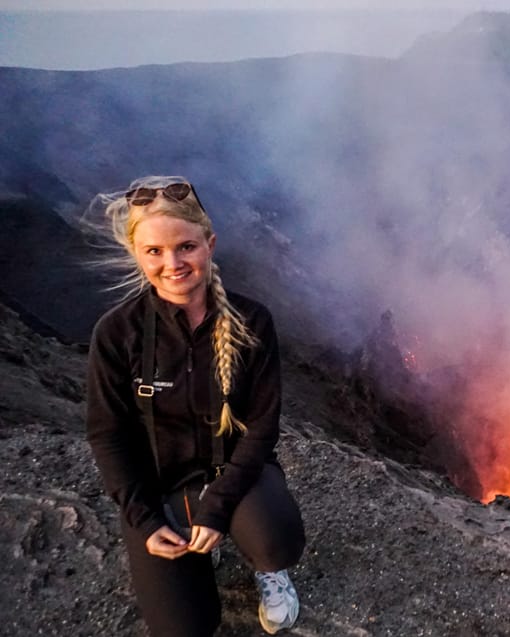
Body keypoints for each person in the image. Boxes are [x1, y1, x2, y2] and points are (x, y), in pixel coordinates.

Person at [85, 176, 305, 636]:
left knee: (276, 540)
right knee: (184, 627)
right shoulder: (117, 334)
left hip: (235, 476)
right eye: (155, 252)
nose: (172, 263)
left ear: (210, 244)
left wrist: (217, 509)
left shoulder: (252, 322)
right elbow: (109, 435)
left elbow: (262, 430)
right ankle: (196, 550)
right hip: (159, 488)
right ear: (137, 254)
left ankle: (263, 565)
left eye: (186, 247)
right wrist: (144, 521)